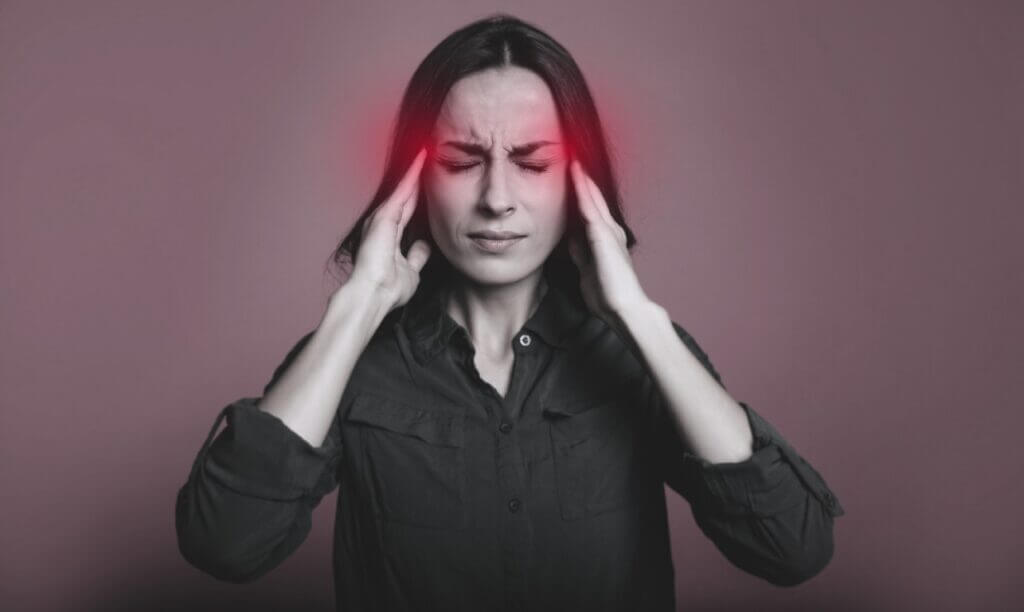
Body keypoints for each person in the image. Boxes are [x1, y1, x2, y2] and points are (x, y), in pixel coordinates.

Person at [175, 13, 844, 612]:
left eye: (532, 162)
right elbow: (224, 545)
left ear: (580, 182)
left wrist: (635, 313)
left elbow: (792, 548)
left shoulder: (638, 356)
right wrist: (358, 307)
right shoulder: (353, 359)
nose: (497, 198)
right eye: (463, 161)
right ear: (415, 179)